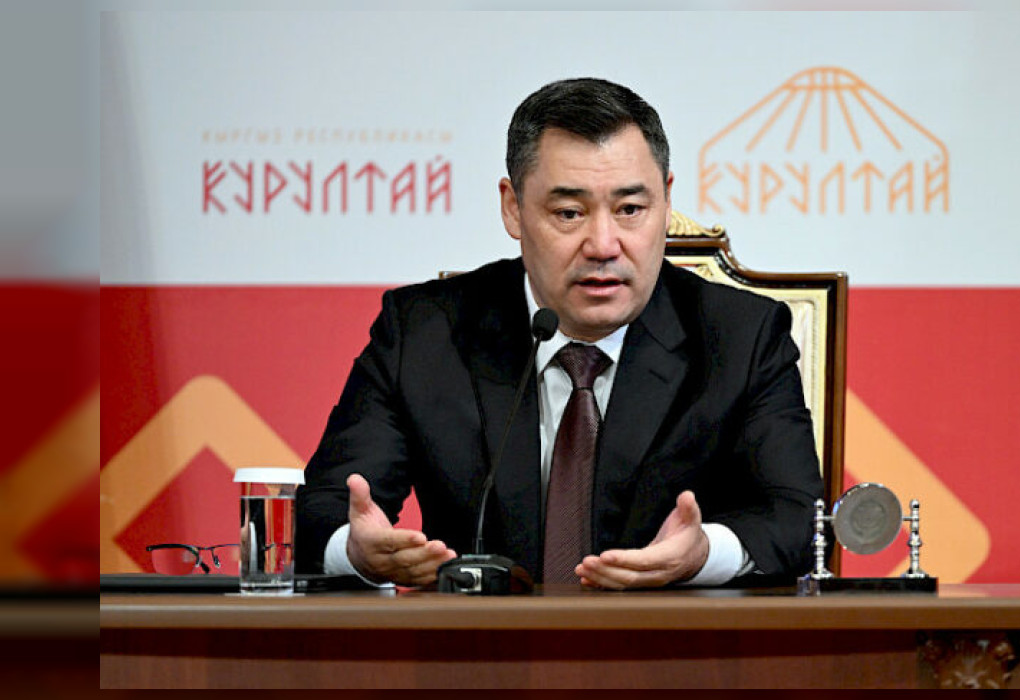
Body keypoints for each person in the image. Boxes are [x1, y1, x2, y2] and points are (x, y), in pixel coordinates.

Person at [296, 77, 824, 589]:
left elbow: (799, 519)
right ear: (513, 208)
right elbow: (326, 508)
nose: (603, 245)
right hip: (479, 644)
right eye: (569, 213)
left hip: (674, 643)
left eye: (630, 210)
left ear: (666, 202)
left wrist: (703, 553)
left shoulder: (741, 336)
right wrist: (355, 549)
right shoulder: (425, 332)